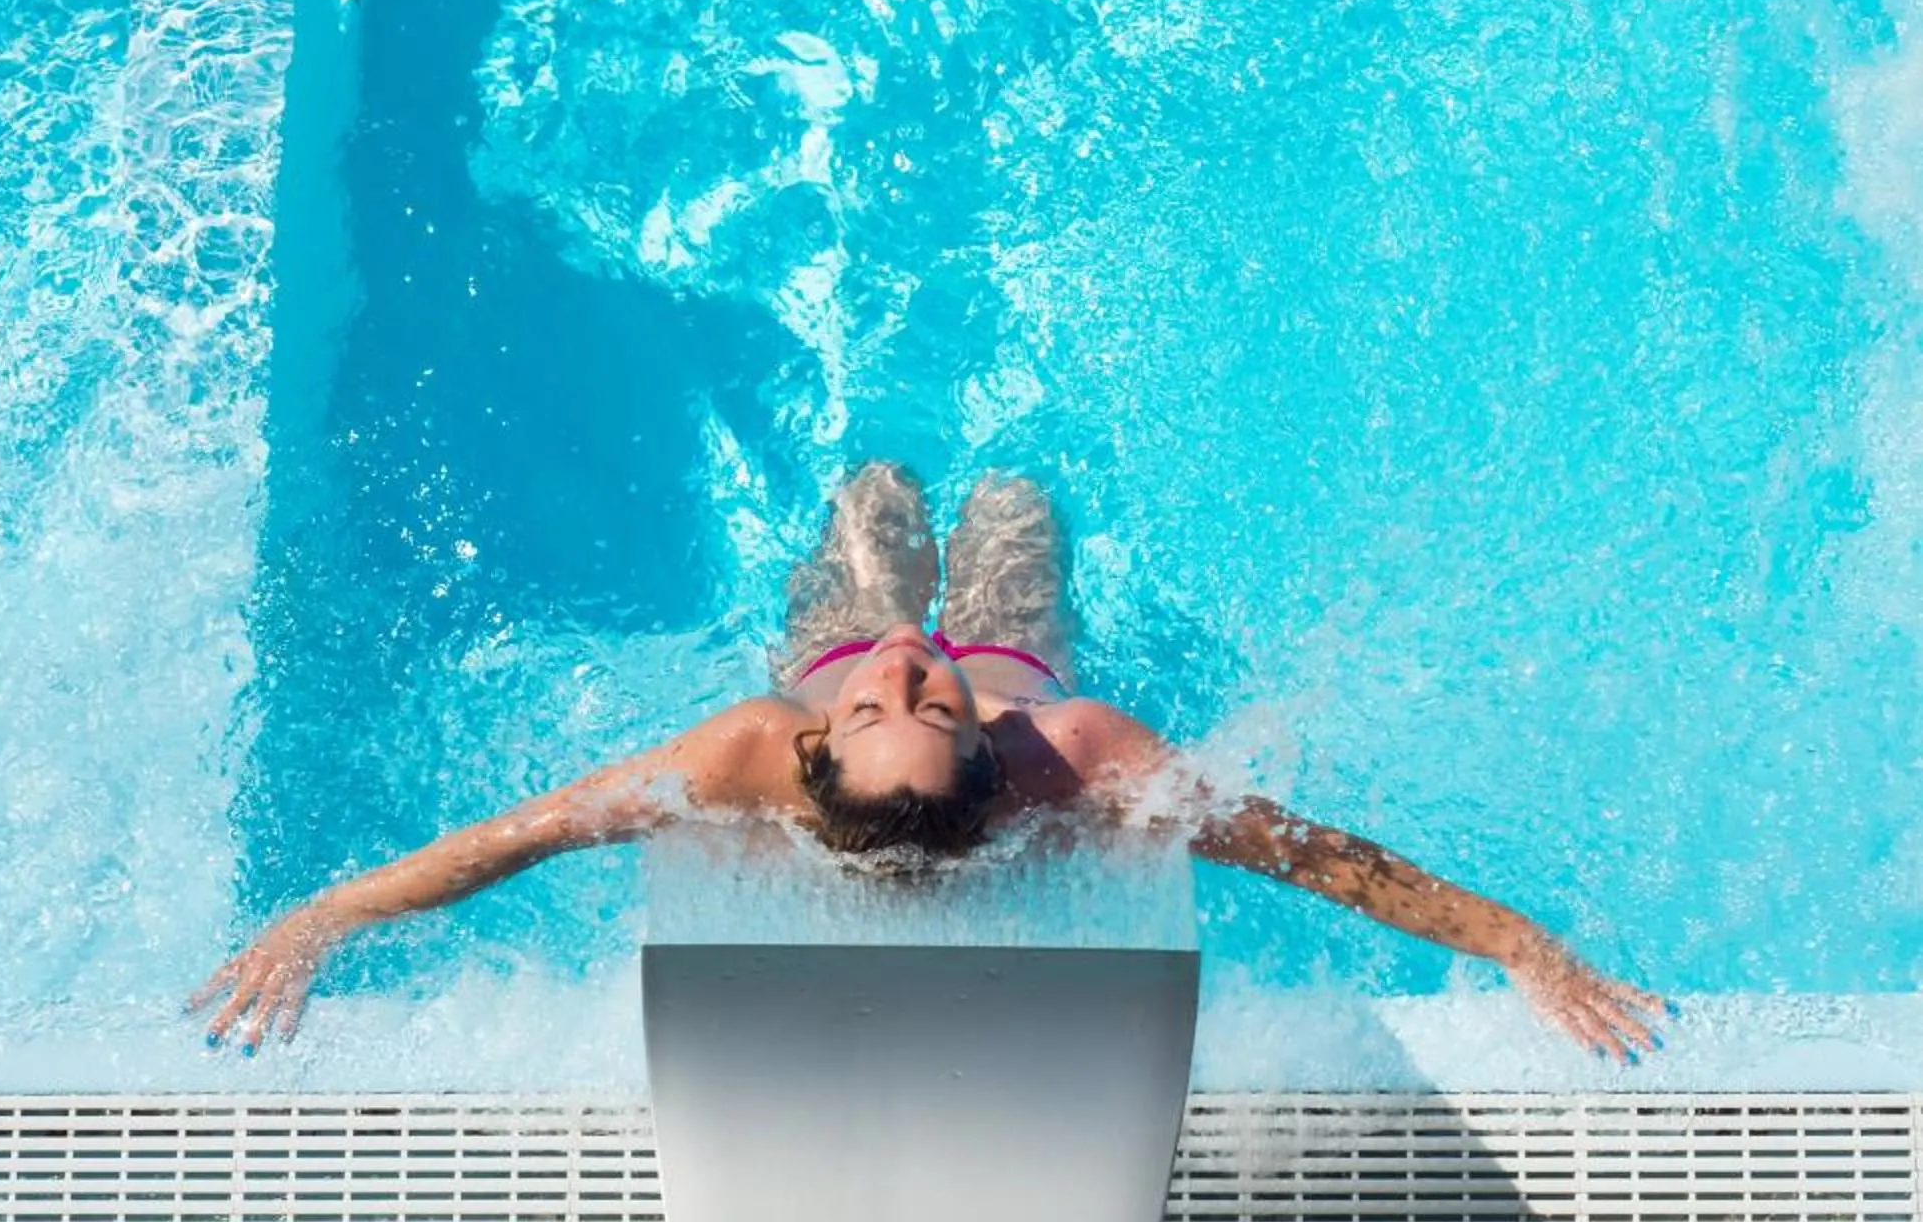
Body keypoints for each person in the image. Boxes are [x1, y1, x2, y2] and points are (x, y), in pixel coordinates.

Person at [192, 461, 1669, 1061]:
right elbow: (1317, 858)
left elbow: (512, 838)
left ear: (818, 745)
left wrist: (330, 911)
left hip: (837, 663)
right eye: (922, 702)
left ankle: (889, 526)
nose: (912, 666)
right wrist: (1515, 944)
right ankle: (977, 535)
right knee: (1009, 514)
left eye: (902, 699)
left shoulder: (756, 747)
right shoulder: (1056, 738)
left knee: (871, 499)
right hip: (1029, 645)